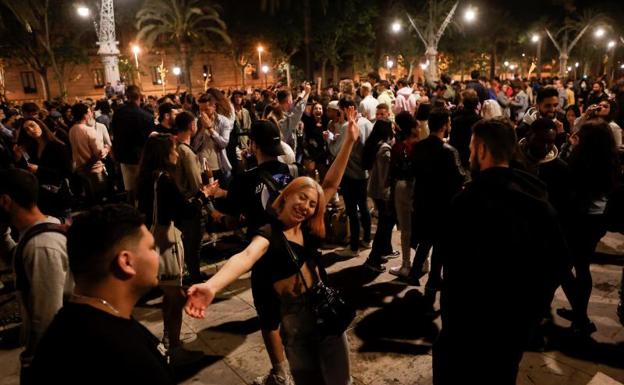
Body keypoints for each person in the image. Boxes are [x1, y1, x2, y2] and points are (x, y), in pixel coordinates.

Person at [185, 106, 361, 385]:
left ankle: (279, 373)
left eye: (312, 203)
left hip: (327, 319)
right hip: (296, 327)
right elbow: (245, 257)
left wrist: (350, 140)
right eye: (300, 199)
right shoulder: (269, 233)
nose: (306, 206)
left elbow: (327, 185)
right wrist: (212, 286)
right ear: (286, 196)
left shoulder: (306, 226)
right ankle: (280, 373)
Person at [434, 118, 568, 385]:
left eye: (472, 149)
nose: (470, 155)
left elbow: (449, 261)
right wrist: (531, 313)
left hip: (466, 331)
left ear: (482, 150)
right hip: (512, 331)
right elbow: (559, 264)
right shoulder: (539, 202)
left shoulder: (468, 203)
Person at [31, 204, 175, 385]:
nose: (157, 255)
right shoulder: (120, 355)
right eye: (152, 248)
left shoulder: (73, 324)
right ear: (126, 262)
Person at [136, 133, 213, 363]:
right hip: (165, 240)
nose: (177, 153)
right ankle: (175, 347)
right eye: (173, 149)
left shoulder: (148, 177)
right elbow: (183, 211)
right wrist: (203, 195)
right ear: (164, 153)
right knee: (177, 295)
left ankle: (170, 340)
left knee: (170, 293)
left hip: (152, 237)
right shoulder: (164, 180)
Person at [0, 169, 73, 385]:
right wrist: (2, 235)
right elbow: (19, 258)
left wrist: (32, 361)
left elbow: (47, 317)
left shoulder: (41, 246)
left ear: (5, 201)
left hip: (54, 359)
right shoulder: (40, 230)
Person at [557, 120, 621, 336]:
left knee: (563, 266)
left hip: (579, 219)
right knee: (582, 267)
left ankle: (581, 316)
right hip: (598, 218)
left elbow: (570, 187)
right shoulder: (611, 159)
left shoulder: (581, 159)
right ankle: (579, 314)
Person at [409, 107, 466, 301]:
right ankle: (433, 281)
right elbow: (460, 178)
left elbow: (412, 172)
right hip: (443, 206)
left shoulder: (418, 147)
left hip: (423, 202)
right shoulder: (449, 151)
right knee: (440, 247)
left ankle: (414, 272)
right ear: (444, 126)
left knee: (425, 241)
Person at [329, 99, 373, 258]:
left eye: (340, 111)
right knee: (364, 207)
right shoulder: (368, 123)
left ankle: (353, 246)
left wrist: (330, 139)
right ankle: (367, 239)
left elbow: (336, 151)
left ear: (346, 110)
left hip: (350, 173)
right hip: (364, 173)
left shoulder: (348, 126)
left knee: (352, 211)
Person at [14, 118, 72, 218]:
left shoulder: (58, 146)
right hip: (41, 196)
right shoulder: (33, 147)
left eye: (32, 125)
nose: (31, 130)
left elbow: (66, 172)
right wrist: (19, 158)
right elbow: (27, 170)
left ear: (40, 125)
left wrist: (39, 169)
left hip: (58, 195)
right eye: (27, 129)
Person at [389, 112, 421, 279]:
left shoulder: (400, 147)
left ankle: (406, 265)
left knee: (406, 229)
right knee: (418, 225)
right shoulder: (420, 144)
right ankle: (423, 262)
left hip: (403, 186)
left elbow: (393, 170)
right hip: (419, 187)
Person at [362, 120, 396, 272]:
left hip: (376, 192)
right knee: (384, 225)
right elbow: (385, 177)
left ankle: (380, 253)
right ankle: (373, 258)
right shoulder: (384, 149)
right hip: (382, 194)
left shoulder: (376, 145)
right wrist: (387, 197)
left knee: (385, 224)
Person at [111, 85, 155, 204]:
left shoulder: (118, 113)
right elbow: (151, 141)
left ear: (127, 96)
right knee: (143, 189)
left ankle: (131, 210)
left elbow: (114, 134)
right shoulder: (147, 116)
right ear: (140, 96)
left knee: (129, 188)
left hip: (124, 157)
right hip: (141, 158)